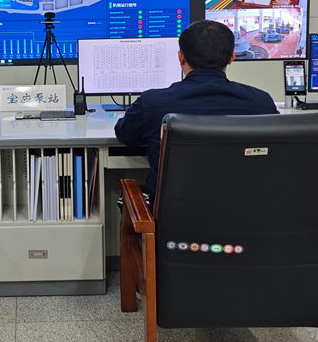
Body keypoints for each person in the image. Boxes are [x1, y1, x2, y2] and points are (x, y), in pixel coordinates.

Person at [115, 20, 279, 205]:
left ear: (181, 57)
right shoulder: (262, 104)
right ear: (232, 57)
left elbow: (126, 136)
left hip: (174, 217)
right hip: (246, 214)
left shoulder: (152, 103)